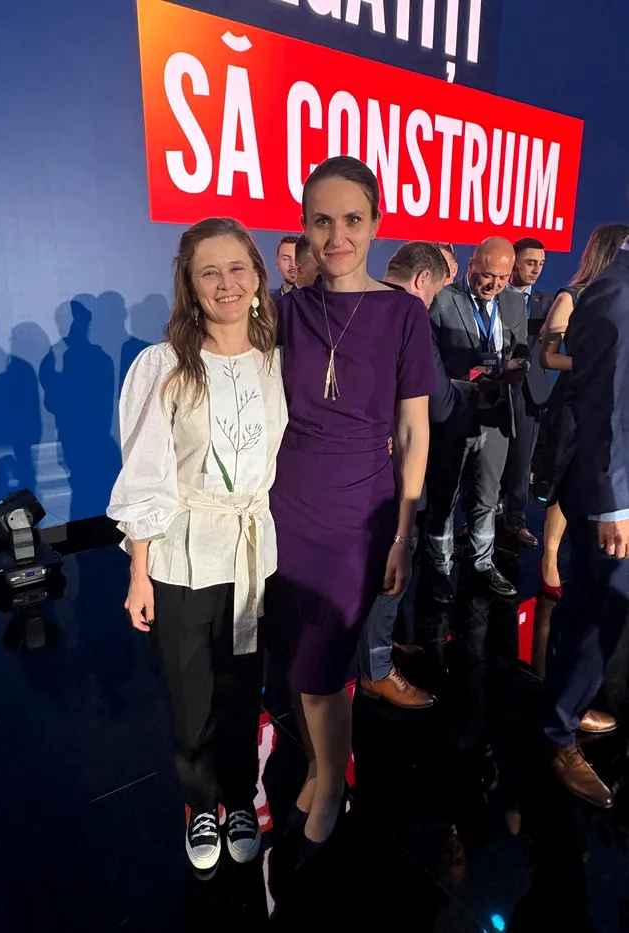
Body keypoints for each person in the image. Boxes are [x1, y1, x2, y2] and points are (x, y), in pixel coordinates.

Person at [266, 157, 436, 854]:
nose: (337, 236)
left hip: (359, 514)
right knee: (295, 657)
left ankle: (334, 779)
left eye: (352, 220)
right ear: (305, 227)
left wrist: (403, 534)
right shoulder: (286, 311)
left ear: (375, 223)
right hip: (284, 507)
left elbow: (413, 431)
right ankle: (318, 764)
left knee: (323, 665)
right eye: (322, 221)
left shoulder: (402, 313)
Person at [107, 217, 287, 872]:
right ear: (189, 284)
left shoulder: (277, 362)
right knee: (191, 697)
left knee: (243, 688)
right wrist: (139, 572)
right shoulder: (163, 366)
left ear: (258, 277)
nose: (225, 283)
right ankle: (201, 803)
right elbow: (145, 475)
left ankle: (239, 795)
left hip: (252, 554)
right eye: (209, 271)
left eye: (237, 267)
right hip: (183, 553)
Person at [541, 233, 629, 809]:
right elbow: (606, 410)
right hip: (612, 494)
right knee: (595, 612)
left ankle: (569, 705)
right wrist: (615, 504)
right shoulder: (615, 293)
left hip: (615, 486)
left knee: (596, 609)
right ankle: (558, 732)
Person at [356, 241, 450, 705]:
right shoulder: (410, 315)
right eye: (435, 292)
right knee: (393, 564)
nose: (432, 302)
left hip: (360, 467)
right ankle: (376, 669)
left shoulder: (358, 305)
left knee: (376, 568)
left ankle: (377, 647)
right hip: (391, 470)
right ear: (422, 280)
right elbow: (436, 406)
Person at [426, 237, 528, 603]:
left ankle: (482, 564)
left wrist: (517, 365)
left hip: (497, 413)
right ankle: (439, 569)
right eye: (487, 275)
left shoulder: (513, 300)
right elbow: (430, 362)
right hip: (454, 413)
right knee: (445, 497)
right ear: (471, 266)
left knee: (488, 496)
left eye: (502, 277)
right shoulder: (442, 299)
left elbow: (520, 346)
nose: (494, 285)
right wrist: (465, 382)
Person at [539, 224, 629, 599]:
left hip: (600, 400)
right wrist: (597, 364)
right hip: (577, 402)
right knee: (568, 484)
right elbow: (547, 357)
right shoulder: (577, 295)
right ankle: (549, 558)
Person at [501, 238, 554, 546]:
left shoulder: (549, 304)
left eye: (541, 264)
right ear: (514, 262)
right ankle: (480, 519)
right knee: (487, 460)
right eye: (531, 262)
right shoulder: (493, 296)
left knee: (522, 460)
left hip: (531, 392)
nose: (536, 269)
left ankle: (515, 520)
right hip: (495, 386)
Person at [271, 235, 299, 303]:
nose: (292, 264)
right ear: (277, 264)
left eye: (297, 258)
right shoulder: (269, 303)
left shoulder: (316, 301)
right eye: (286, 259)